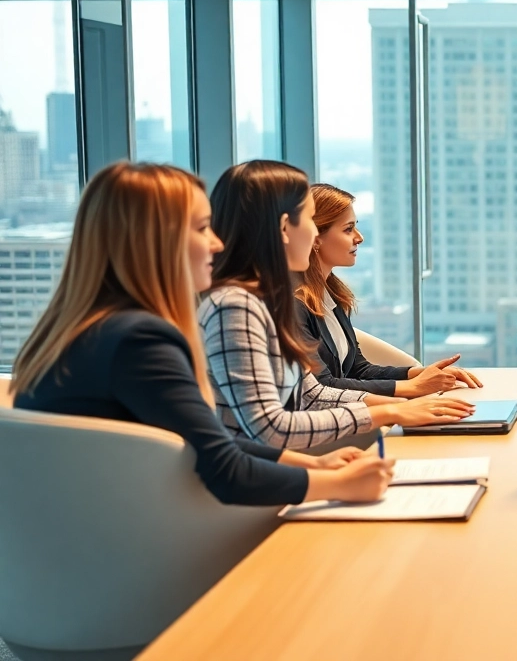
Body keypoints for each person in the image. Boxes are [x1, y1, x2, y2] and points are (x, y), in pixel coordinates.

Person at [11, 163, 395, 507]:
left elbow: (206, 440)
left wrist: (314, 465)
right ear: (155, 243)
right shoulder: (139, 341)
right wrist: (338, 484)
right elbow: (225, 471)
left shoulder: (99, 332)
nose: (216, 242)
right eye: (201, 229)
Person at [200, 160, 474, 450]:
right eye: (309, 219)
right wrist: (394, 408)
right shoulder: (237, 307)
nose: (313, 233)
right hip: (264, 478)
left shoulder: (267, 300)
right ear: (284, 228)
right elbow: (270, 429)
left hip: (285, 462)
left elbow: (312, 395)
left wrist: (408, 403)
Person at [294, 183, 481, 396]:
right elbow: (322, 388)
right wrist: (411, 388)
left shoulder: (332, 296)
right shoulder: (294, 305)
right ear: (315, 237)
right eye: (348, 229)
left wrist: (419, 374)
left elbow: (357, 369)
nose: (359, 237)